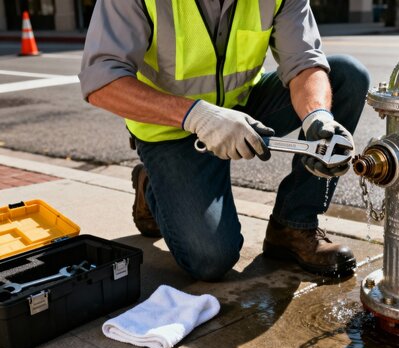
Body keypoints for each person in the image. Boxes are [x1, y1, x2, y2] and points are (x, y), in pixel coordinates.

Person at [79, 0, 370, 280]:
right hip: (171, 128)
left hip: (241, 106)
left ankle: (293, 226)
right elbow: (101, 80)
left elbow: (305, 62)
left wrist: (318, 117)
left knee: (347, 76)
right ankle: (151, 184)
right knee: (210, 259)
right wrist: (198, 117)